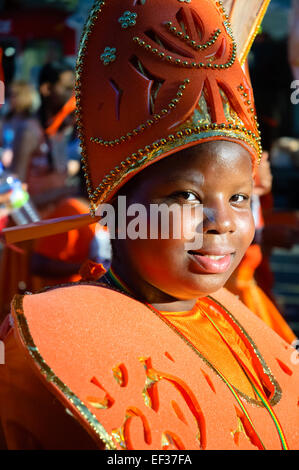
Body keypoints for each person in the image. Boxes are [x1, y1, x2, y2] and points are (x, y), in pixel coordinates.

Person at [0, 0, 298, 451]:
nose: (223, 223)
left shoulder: (244, 320)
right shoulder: (58, 338)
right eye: (187, 196)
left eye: (238, 197)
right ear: (113, 209)